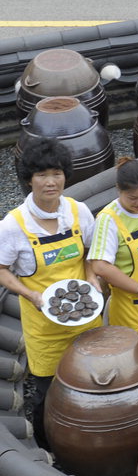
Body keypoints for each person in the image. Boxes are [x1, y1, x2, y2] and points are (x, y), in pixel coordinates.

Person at [0, 138, 102, 447]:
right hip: (44, 326)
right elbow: (2, 270)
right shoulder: (13, 226)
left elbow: (90, 253)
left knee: (90, 377)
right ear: (29, 178)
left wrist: (93, 279)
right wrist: (29, 295)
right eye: (42, 174)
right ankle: (50, 446)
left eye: (56, 173)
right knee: (47, 390)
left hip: (84, 315)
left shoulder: (77, 211)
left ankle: (92, 433)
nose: (51, 181)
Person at [89, 158, 138, 332]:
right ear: (119, 189)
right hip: (132, 308)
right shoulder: (108, 219)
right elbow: (100, 266)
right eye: (132, 198)